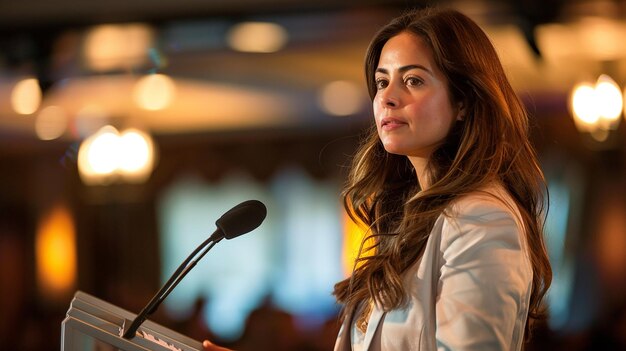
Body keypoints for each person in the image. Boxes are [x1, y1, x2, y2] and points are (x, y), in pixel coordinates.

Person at [204, 6, 552, 351]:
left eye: (413, 80)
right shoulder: (406, 219)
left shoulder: (482, 221)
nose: (387, 97)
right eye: (382, 81)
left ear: (463, 102)